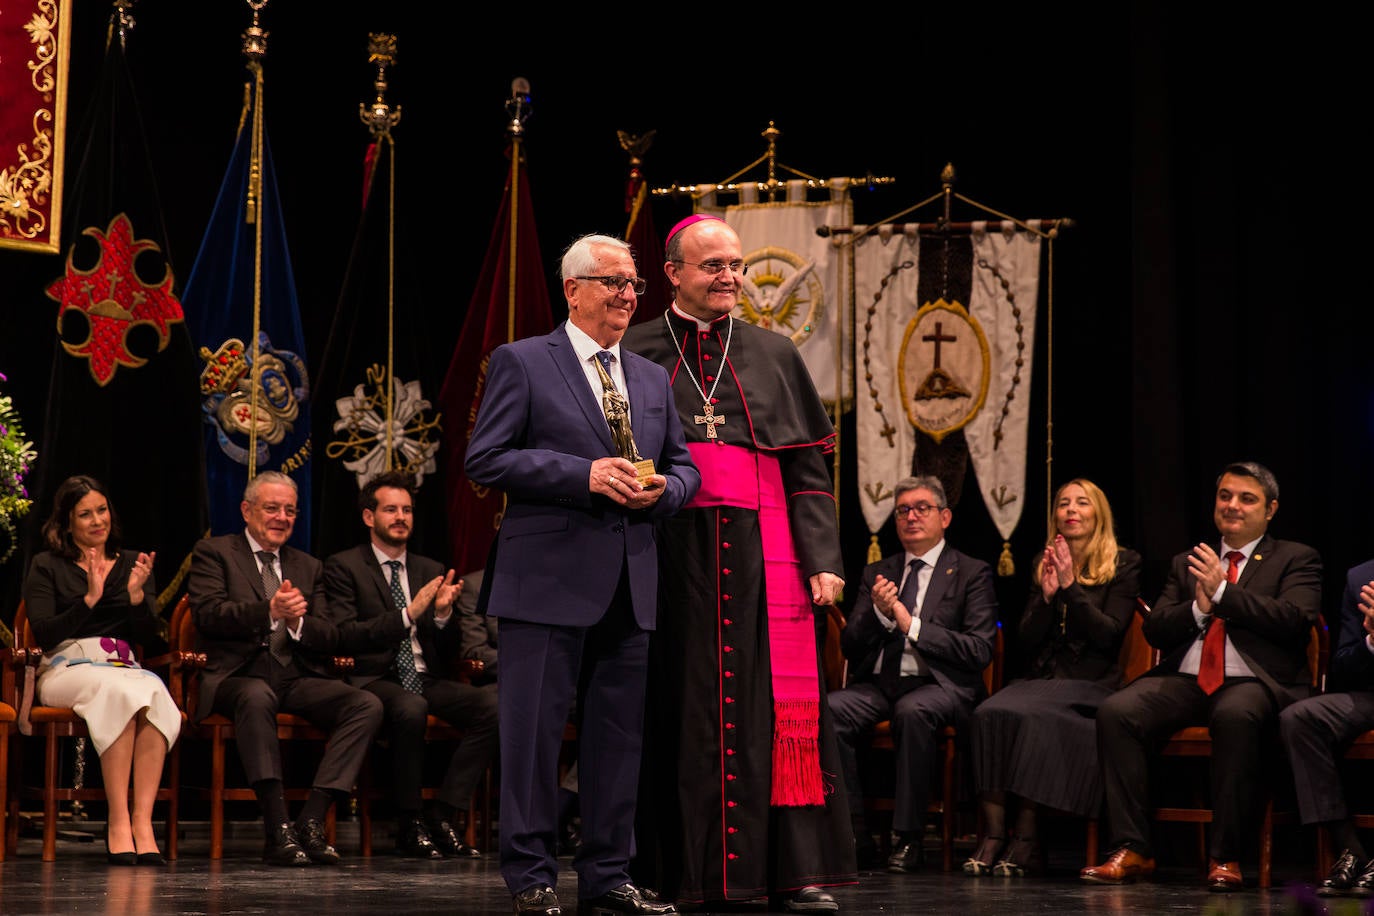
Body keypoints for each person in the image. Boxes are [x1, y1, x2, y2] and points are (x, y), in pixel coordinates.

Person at [622, 214, 856, 913]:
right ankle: (672, 869)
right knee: (678, 709)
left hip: (763, 558)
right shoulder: (632, 351)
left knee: (769, 709)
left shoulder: (774, 353)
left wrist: (822, 559)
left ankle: (792, 870)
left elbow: (808, 469)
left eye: (736, 265)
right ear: (672, 274)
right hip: (666, 552)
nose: (730, 278)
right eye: (713, 266)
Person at [465, 233, 699, 916]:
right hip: (546, 579)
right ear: (573, 289)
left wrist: (669, 492)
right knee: (533, 734)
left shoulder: (652, 376)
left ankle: (607, 877)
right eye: (612, 282)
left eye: (633, 285)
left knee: (618, 740)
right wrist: (584, 474)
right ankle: (531, 877)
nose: (627, 296)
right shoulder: (523, 362)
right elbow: (486, 458)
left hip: (633, 579)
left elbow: (684, 467)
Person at [1081, 460, 1322, 891]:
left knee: (1236, 715)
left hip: (1253, 681)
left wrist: (1225, 593)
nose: (1232, 505)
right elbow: (1155, 628)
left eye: (1246, 499)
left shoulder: (1295, 558)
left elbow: (1293, 620)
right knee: (1117, 711)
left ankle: (1224, 856)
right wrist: (1198, 609)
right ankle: (1133, 847)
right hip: (1188, 678)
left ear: (1270, 509)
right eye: (1225, 496)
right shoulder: (1187, 561)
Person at [187, 469, 384, 867]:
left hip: (294, 674)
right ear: (246, 510)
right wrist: (269, 610)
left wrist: (296, 622)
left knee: (366, 704)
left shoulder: (308, 566)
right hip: (236, 674)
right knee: (257, 695)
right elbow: (208, 615)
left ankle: (311, 820)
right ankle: (277, 827)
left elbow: (331, 634)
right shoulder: (216, 553)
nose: (282, 518)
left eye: (290, 511)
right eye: (272, 508)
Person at [964, 478, 1141, 876]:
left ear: (1099, 514)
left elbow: (1109, 634)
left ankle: (1027, 839)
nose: (1071, 510)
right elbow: (1026, 639)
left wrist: (1070, 587)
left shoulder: (1124, 563)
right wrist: (1045, 597)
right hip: (1041, 682)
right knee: (988, 711)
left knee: (1033, 720)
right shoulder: (1042, 561)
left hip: (1093, 683)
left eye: (1082, 503)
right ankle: (993, 835)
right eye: (1064, 504)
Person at [827, 475, 998, 876]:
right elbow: (850, 645)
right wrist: (880, 616)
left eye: (921, 508)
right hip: (880, 684)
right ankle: (853, 835)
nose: (911, 517)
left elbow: (978, 650)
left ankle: (909, 837)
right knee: (830, 710)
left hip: (941, 686)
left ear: (945, 517)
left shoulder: (971, 572)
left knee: (912, 711)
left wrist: (909, 623)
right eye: (903, 510)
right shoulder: (878, 572)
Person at [323, 469, 497, 859]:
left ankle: (444, 812)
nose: (401, 517)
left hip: (425, 676)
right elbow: (344, 632)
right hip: (373, 676)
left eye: (407, 510)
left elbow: (449, 647)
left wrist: (440, 616)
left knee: (494, 706)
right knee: (410, 706)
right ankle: (409, 821)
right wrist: (407, 615)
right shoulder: (344, 566)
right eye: (391, 510)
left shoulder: (430, 568)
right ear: (370, 517)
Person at [21, 475, 181, 866]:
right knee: (121, 691)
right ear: (67, 522)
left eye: (102, 510)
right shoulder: (47, 566)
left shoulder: (132, 564)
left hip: (123, 666)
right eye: (85, 514)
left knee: (154, 689)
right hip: (65, 667)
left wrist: (137, 597)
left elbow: (148, 635)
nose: (97, 521)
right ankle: (118, 819)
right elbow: (43, 632)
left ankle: (142, 823)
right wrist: (90, 599)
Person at [1279, 560, 1374, 896]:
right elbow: (1343, 667)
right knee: (1301, 718)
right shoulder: (1361, 578)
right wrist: (1373, 640)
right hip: (1369, 697)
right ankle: (1351, 849)